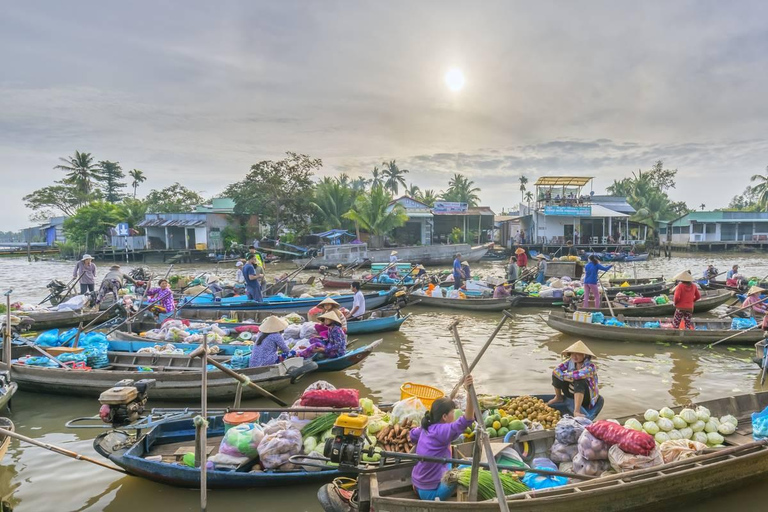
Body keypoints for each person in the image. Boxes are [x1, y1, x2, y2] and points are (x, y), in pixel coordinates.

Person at [410, 375, 474, 501]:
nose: (454, 415)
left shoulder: (425, 426)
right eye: (453, 412)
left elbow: (412, 434)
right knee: (469, 464)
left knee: (448, 456)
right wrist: (470, 394)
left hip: (417, 484)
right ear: (444, 416)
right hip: (431, 494)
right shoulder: (441, 430)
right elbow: (467, 420)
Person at [548, 341, 599, 417]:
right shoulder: (570, 362)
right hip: (572, 392)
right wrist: (564, 376)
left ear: (584, 355)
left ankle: (577, 411)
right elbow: (555, 371)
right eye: (572, 354)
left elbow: (579, 374)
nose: (574, 356)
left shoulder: (591, 366)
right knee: (556, 375)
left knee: (579, 380)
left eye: (578, 354)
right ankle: (558, 397)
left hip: (586, 397)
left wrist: (564, 376)